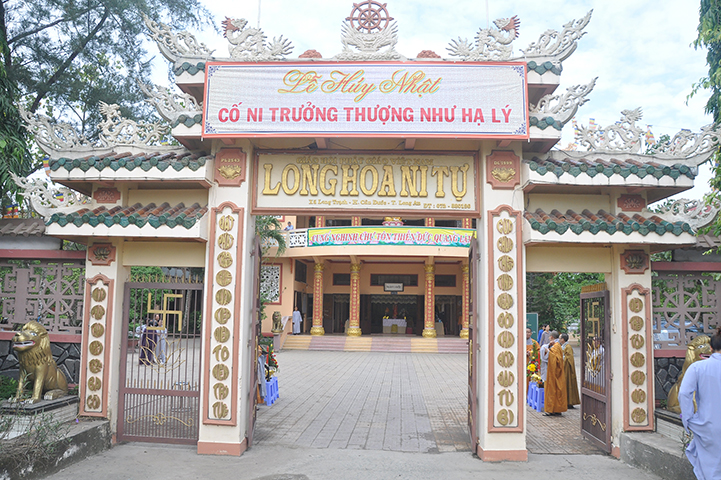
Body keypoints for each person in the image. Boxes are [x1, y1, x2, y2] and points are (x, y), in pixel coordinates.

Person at [679, 326, 721, 480]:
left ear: (711, 348)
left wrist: (688, 419)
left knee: (710, 470)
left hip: (708, 425)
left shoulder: (697, 367)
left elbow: (684, 393)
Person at [543, 331, 567, 416]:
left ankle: (551, 409)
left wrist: (548, 351)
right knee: (557, 391)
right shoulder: (556, 345)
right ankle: (556, 409)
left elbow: (557, 359)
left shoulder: (556, 346)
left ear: (551, 337)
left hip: (554, 373)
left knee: (552, 390)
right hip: (556, 372)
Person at [559, 333, 580, 409]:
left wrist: (561, 359)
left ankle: (569, 402)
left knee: (568, 384)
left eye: (560, 338)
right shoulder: (563, 346)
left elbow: (569, 358)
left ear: (563, 339)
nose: (559, 339)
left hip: (567, 369)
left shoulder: (568, 347)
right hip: (563, 368)